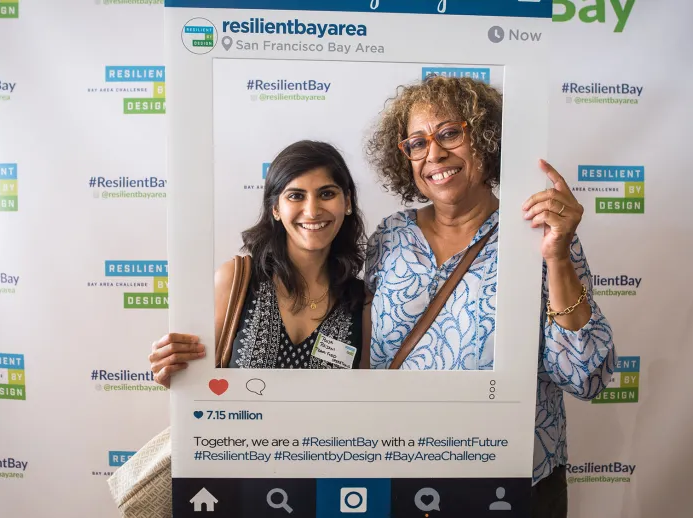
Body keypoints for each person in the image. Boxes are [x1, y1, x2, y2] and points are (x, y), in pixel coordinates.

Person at [362, 75, 616, 517]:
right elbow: (359, 349)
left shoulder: (538, 234)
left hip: (512, 481)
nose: (435, 154)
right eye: (417, 143)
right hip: (402, 471)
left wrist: (557, 257)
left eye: (450, 133)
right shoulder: (390, 234)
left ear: (486, 139)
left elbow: (586, 378)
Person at [148, 140, 369, 385]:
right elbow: (195, 384)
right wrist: (171, 372)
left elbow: (364, 398)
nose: (312, 210)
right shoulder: (236, 279)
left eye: (326, 194)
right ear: (275, 208)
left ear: (347, 202)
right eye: (296, 196)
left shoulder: (362, 301)